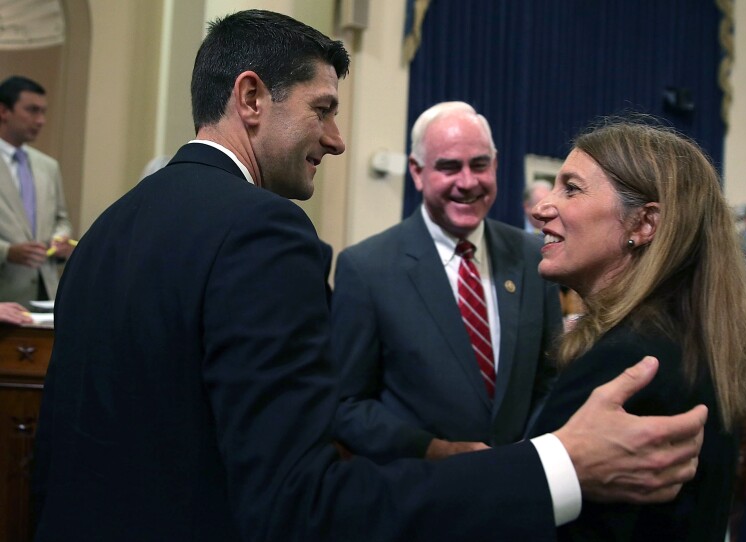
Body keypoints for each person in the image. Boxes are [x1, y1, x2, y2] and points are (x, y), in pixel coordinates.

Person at [32, 11, 707, 541]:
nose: (337, 139)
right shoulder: (262, 231)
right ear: (251, 98)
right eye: (323, 109)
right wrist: (555, 466)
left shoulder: (106, 230)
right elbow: (300, 505)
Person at [528, 120, 746, 541]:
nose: (541, 208)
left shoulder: (625, 362)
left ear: (644, 225)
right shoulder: (691, 340)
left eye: (571, 188)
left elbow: (528, 518)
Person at [331, 102, 560, 462]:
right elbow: (347, 405)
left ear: (496, 166)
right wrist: (433, 450)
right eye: (449, 167)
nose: (467, 182)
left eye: (480, 165)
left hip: (519, 493)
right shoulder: (367, 270)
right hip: (419, 498)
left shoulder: (534, 257)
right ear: (417, 172)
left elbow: (549, 383)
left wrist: (526, 454)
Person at [0, 76, 74, 305]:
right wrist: (6, 252)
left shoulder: (48, 166)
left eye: (43, 112)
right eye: (32, 110)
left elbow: (61, 218)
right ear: (4, 111)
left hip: (46, 291)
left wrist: (61, 238)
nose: (41, 120)